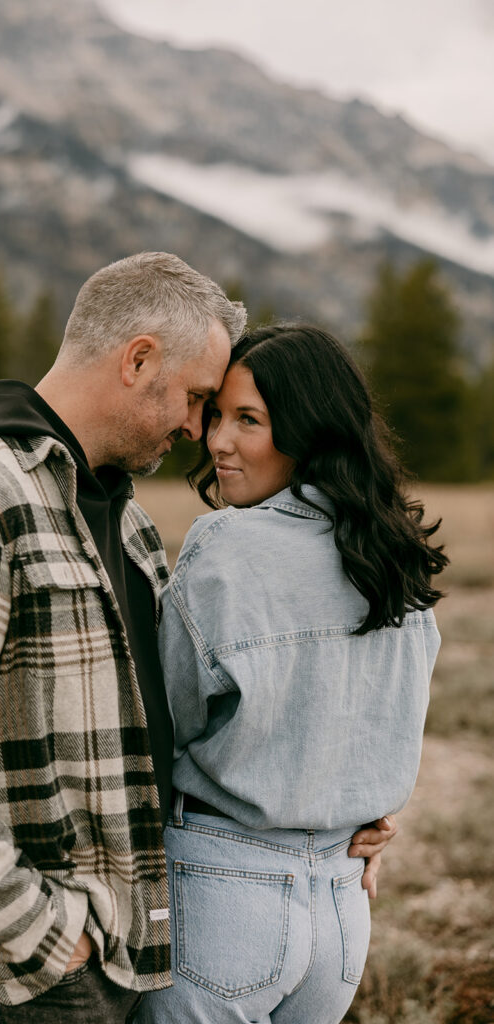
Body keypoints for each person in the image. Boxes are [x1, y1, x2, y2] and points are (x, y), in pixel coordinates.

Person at [0, 256, 396, 1024]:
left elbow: (168, 724)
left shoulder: (125, 518)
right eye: (197, 398)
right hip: (13, 968)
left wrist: (334, 809)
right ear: (138, 359)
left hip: (120, 946)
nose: (196, 429)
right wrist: (41, 931)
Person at [135, 323, 446, 1024]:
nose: (217, 440)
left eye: (250, 419)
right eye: (216, 413)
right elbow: (389, 725)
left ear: (309, 430)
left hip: (224, 898)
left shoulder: (228, 546)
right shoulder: (394, 555)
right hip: (341, 916)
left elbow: (164, 723)